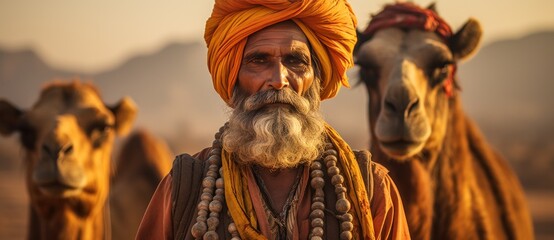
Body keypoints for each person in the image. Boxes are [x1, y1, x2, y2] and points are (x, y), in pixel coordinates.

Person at [136, 0, 410, 239]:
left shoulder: (370, 189)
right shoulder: (184, 189)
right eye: (258, 61)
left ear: (316, 78)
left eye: (295, 61)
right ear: (233, 77)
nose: (279, 81)